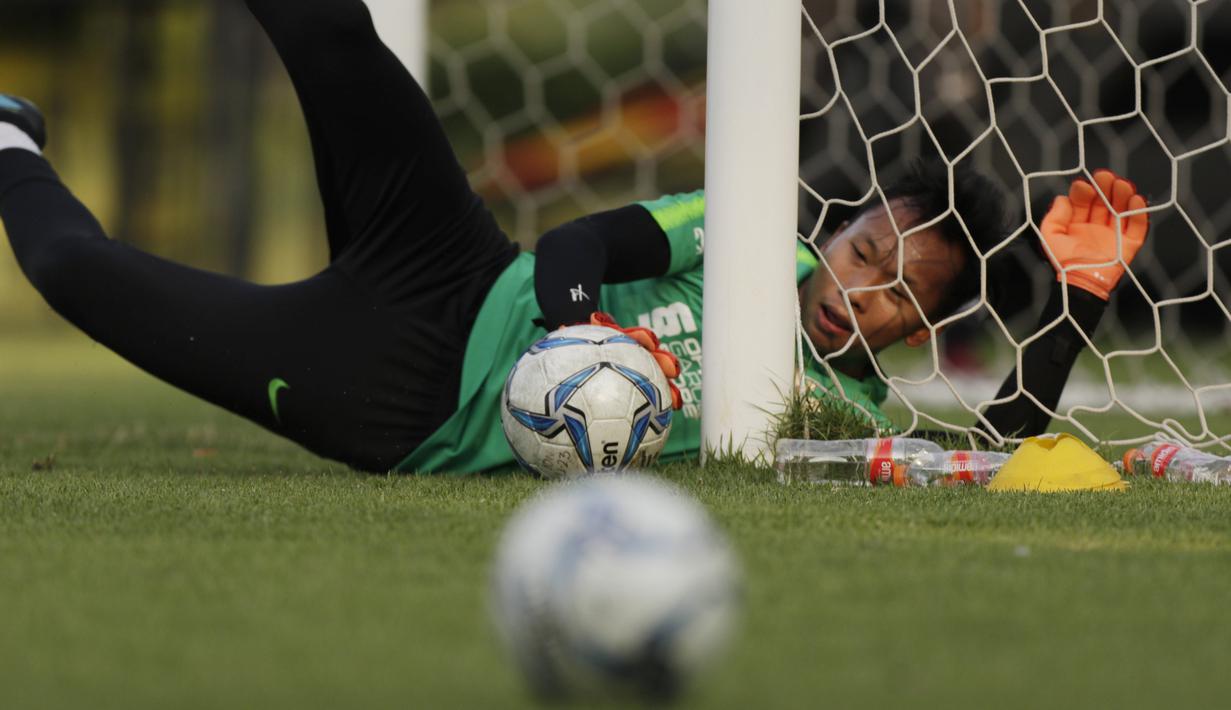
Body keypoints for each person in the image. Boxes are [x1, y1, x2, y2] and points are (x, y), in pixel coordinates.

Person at [0, 1, 1149, 474]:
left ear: (915, 334)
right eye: (864, 254)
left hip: (400, 400)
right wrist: (583, 340)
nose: (864, 290)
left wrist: (1076, 302)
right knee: (332, 31)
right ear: (838, 230)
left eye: (902, 295)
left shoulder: (827, 420)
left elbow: (999, 449)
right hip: (456, 267)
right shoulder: (756, 244)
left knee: (72, 269)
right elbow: (580, 242)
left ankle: (7, 138)